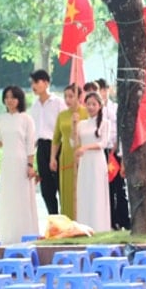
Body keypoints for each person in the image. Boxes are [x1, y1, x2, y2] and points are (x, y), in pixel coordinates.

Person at [0, 85, 39, 243]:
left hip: (21, 162)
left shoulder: (26, 119)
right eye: (7, 97)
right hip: (7, 162)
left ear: (19, 99)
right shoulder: (1, 120)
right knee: (8, 198)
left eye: (13, 97)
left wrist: (30, 165)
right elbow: (1, 141)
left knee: (22, 198)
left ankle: (25, 234)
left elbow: (30, 143)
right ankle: (9, 236)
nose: (10, 100)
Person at [94, 79, 129, 230]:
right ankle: (110, 220)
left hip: (115, 150)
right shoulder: (95, 110)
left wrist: (116, 146)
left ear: (108, 90)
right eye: (98, 90)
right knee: (105, 188)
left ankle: (124, 220)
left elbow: (121, 128)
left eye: (103, 89)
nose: (101, 93)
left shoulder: (115, 108)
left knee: (119, 188)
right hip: (101, 150)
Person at [29, 69, 65, 215]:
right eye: (32, 83)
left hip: (56, 146)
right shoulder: (35, 106)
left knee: (60, 184)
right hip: (41, 147)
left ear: (46, 83)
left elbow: (63, 127)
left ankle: (66, 218)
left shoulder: (58, 103)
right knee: (46, 188)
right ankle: (54, 218)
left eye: (36, 82)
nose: (34, 86)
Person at [75, 92, 111, 233]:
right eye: (88, 104)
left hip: (96, 160)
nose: (90, 107)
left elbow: (103, 143)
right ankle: (84, 226)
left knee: (97, 192)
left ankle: (99, 226)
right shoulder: (81, 124)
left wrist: (86, 147)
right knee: (85, 191)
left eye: (93, 104)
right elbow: (75, 143)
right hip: (84, 162)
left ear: (100, 106)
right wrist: (74, 126)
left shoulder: (104, 123)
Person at [50, 85, 87, 219]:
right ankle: (68, 219)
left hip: (83, 154)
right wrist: (53, 158)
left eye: (71, 96)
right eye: (65, 96)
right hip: (66, 155)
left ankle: (83, 218)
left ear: (79, 97)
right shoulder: (62, 115)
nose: (67, 99)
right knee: (67, 190)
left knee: (81, 189)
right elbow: (56, 139)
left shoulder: (86, 113)